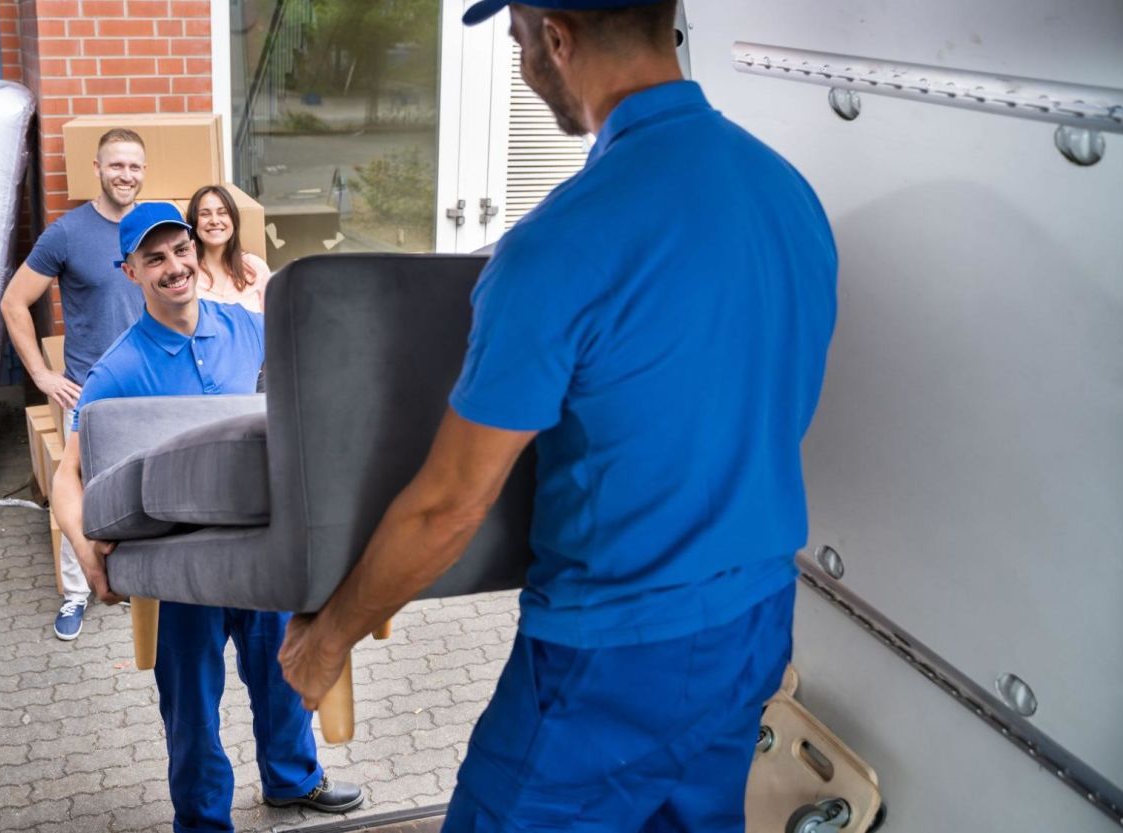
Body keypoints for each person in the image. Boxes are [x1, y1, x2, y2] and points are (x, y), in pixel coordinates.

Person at [277, 2, 838, 832]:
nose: (522, 66)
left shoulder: (560, 244)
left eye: (517, 44)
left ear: (557, 39)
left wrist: (325, 644)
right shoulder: (786, 192)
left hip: (614, 654)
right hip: (756, 619)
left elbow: (448, 506)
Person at [48, 202, 364, 832]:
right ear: (130, 271)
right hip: (180, 563)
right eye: (155, 259)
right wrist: (88, 557)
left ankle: (291, 780)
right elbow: (67, 475)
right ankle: (201, 820)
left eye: (180, 251)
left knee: (283, 673)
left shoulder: (248, 328)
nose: (174, 267)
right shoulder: (118, 369)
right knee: (190, 701)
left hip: (258, 545)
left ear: (196, 251)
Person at [0, 128, 147, 641]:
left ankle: (140, 581)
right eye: (116, 166)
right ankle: (76, 593)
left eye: (134, 166)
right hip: (89, 389)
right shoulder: (67, 234)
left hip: (149, 388)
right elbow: (14, 302)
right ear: (98, 169)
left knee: (145, 488)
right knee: (77, 493)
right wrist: (42, 374)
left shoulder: (155, 231)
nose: (126, 175)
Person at [186, 184, 272, 313]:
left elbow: (273, 324)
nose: (214, 221)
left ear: (233, 220)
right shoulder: (185, 273)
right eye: (205, 214)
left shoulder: (256, 268)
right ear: (194, 222)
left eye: (222, 213)